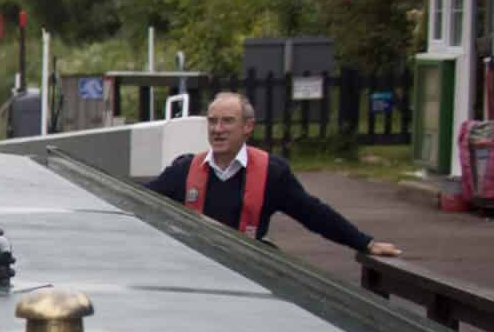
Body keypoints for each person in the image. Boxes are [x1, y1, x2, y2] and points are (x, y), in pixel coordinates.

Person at [140, 91, 403, 258]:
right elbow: (139, 203)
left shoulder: (271, 173)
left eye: (227, 121)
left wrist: (364, 243)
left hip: (248, 275)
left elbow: (313, 213)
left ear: (248, 127)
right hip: (194, 274)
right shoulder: (183, 170)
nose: (218, 129)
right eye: (212, 121)